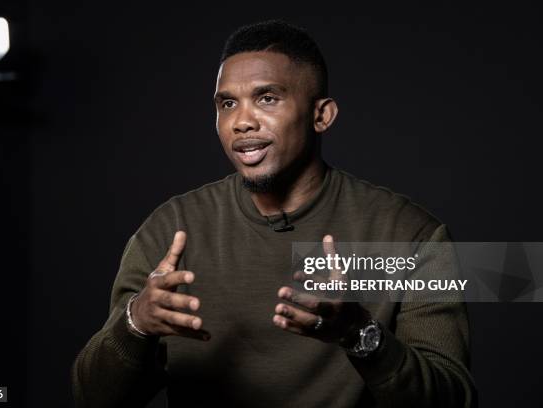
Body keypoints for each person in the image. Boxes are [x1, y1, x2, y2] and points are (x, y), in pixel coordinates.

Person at [72, 20, 477, 407]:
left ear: (322, 115)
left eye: (267, 98)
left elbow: (454, 398)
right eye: (227, 103)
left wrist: (360, 336)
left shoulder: (411, 235)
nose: (241, 122)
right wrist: (135, 324)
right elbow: (92, 398)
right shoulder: (169, 231)